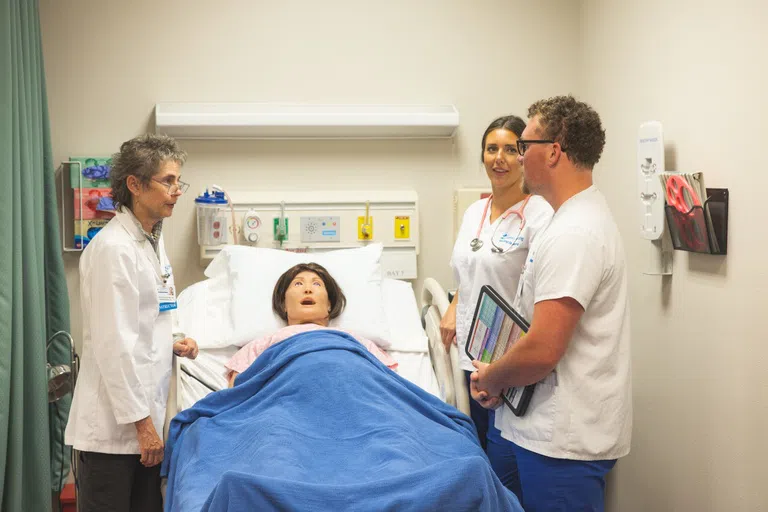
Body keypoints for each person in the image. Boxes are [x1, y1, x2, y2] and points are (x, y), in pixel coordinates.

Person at [470, 95, 632, 512]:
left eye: (525, 147)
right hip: (537, 428)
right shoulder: (570, 219)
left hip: (560, 443)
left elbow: (543, 349)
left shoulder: (574, 233)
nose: (519, 158)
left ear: (554, 152)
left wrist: (492, 378)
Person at [65, 134, 200, 512]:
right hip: (114, 432)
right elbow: (113, 344)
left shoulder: (151, 240)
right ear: (135, 185)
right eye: (168, 181)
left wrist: (174, 337)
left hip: (144, 426)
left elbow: (151, 311)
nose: (176, 191)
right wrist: (142, 425)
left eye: (178, 182)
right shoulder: (113, 249)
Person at [440, 115, 553, 500]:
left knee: (509, 473)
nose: (499, 158)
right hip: (473, 357)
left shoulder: (539, 214)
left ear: (524, 157)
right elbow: (469, 270)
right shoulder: (476, 211)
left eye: (510, 149)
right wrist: (454, 304)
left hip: (511, 359)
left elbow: (540, 283)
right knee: (487, 463)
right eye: (492, 149)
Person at [226, 262, 397, 387]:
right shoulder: (263, 344)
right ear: (284, 304)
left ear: (329, 304)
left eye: (317, 284)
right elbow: (234, 394)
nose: (307, 290)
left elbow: (389, 384)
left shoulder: (354, 340)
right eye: (298, 284)